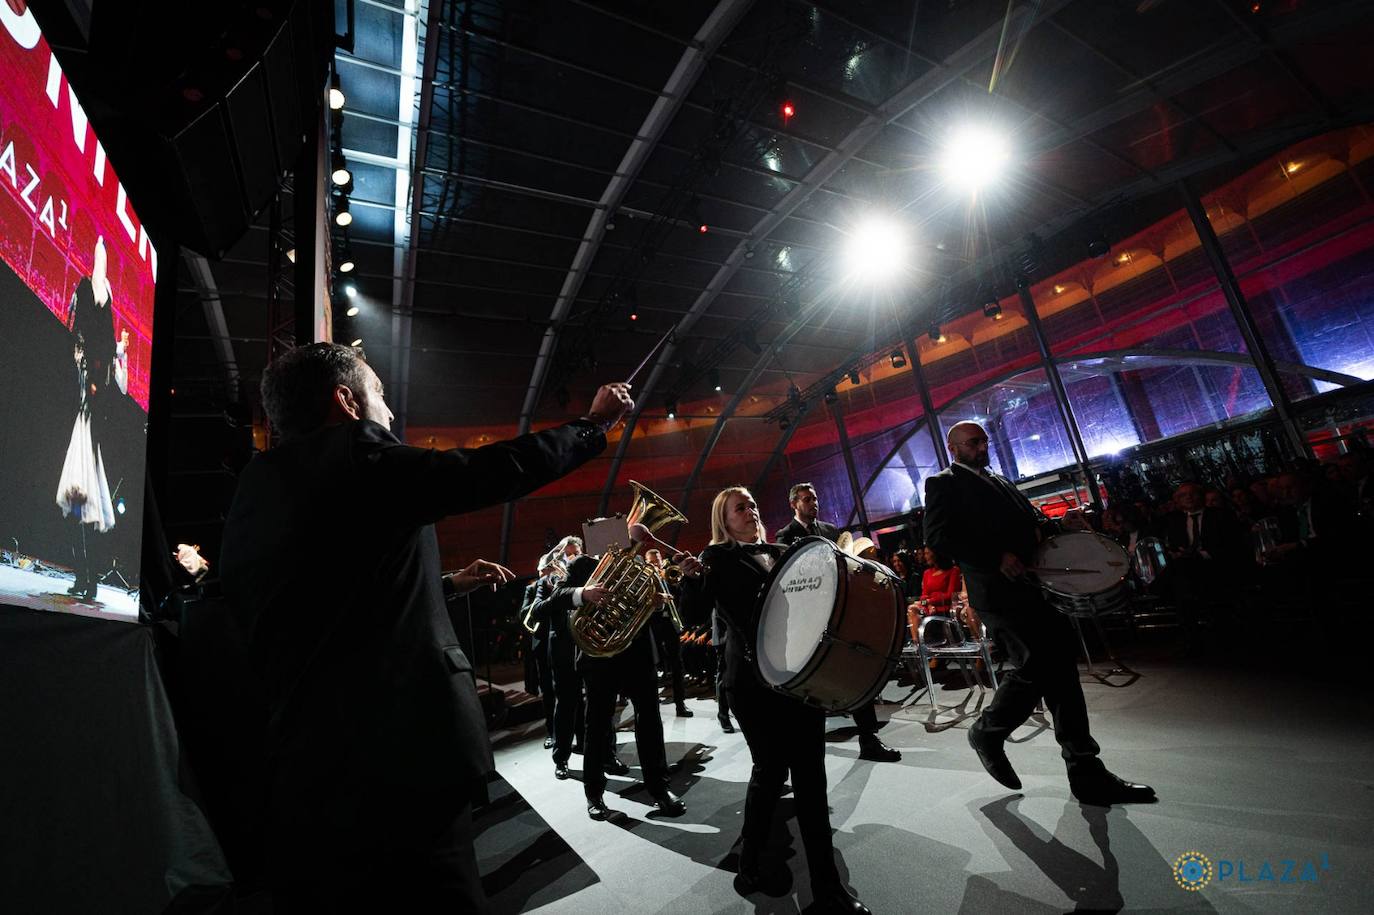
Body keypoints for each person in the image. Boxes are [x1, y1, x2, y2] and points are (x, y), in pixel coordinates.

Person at [219, 342, 632, 910]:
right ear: (346, 401)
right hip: (399, 753)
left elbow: (329, 601)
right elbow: (485, 471)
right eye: (380, 397)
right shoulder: (357, 454)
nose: (389, 414)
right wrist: (591, 426)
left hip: (307, 762)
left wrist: (450, 583)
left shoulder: (258, 487)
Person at [924, 421, 1155, 806]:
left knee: (1061, 669)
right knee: (1036, 665)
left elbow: (1028, 526)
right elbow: (939, 536)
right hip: (996, 593)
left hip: (1035, 587)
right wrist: (995, 557)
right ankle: (988, 731)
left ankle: (1085, 771)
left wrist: (1056, 525)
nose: (982, 447)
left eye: (984, 441)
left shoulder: (999, 480)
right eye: (972, 442)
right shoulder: (944, 482)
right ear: (953, 448)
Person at [679, 487, 868, 914]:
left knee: (810, 779)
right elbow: (693, 614)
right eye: (740, 508)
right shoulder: (716, 558)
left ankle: (828, 890)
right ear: (722, 521)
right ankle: (749, 860)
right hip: (751, 685)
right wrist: (690, 581)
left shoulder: (783, 551)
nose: (751, 512)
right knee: (769, 771)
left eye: (753, 505)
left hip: (800, 678)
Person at [537, 546, 685, 820]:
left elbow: (640, 606)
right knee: (597, 725)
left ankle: (660, 790)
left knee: (650, 721)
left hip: (636, 653)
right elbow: (557, 596)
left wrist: (653, 602)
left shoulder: (638, 564)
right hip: (598, 655)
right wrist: (584, 594)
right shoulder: (581, 563)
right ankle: (594, 794)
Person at [774, 483, 901, 763]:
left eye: (815, 498)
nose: (813, 503)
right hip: (808, 619)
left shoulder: (832, 531)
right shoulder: (785, 536)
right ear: (794, 504)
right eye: (807, 500)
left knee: (856, 671)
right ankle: (808, 751)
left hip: (840, 612)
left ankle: (869, 739)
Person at [55, 236, 129, 601]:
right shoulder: (85, 348)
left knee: (82, 501)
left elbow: (104, 341)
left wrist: (105, 366)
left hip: (90, 420)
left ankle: (90, 579)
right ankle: (85, 576)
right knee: (77, 503)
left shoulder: (101, 301)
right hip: (83, 416)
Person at [646, 548, 693, 718]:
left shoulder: (668, 575)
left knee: (677, 664)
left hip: (670, 624)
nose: (656, 565)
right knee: (652, 666)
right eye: (652, 562)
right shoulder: (644, 580)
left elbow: (682, 595)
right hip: (653, 624)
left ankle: (680, 705)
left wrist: (674, 586)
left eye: (657, 561)